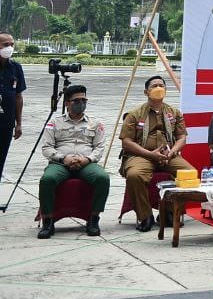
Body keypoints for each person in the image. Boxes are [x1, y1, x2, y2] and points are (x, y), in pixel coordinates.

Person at [119, 75, 194, 232]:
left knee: (189, 173)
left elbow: (182, 137)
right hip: (141, 155)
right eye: (154, 86)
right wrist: (150, 154)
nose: (159, 88)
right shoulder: (134, 114)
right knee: (134, 175)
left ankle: (169, 212)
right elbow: (126, 142)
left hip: (169, 155)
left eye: (161, 85)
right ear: (146, 92)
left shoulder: (174, 112)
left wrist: (172, 152)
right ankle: (145, 216)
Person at [37, 84, 109, 238]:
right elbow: (47, 148)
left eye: (84, 100)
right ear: (67, 103)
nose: (81, 103)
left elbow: (99, 147)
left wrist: (87, 159)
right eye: (77, 101)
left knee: (102, 178)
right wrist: (64, 158)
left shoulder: (95, 123)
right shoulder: (54, 123)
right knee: (47, 179)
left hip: (86, 163)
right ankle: (48, 221)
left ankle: (94, 219)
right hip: (60, 163)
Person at [0, 32, 25, 180]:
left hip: (6, 123)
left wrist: (18, 123)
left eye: (11, 44)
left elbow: (18, 96)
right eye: (5, 45)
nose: (9, 47)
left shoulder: (15, 67)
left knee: (1, 159)